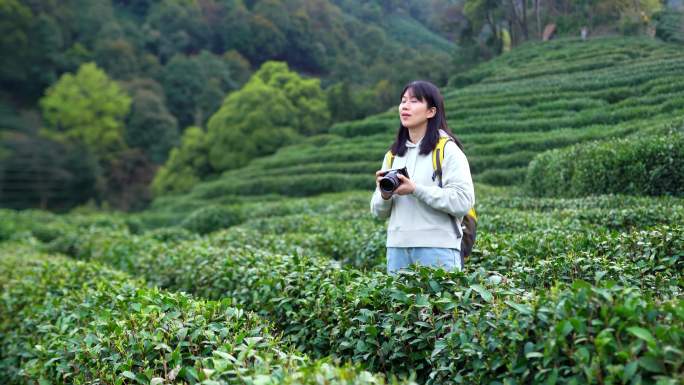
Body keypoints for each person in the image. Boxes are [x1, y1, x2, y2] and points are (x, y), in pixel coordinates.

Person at [370, 80, 475, 275]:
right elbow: (378, 213)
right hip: (397, 249)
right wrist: (384, 195)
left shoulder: (447, 150)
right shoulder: (393, 155)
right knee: (397, 307)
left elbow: (463, 201)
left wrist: (415, 189)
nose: (405, 106)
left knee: (439, 306)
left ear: (431, 112)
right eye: (403, 101)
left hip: (438, 250)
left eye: (415, 101)